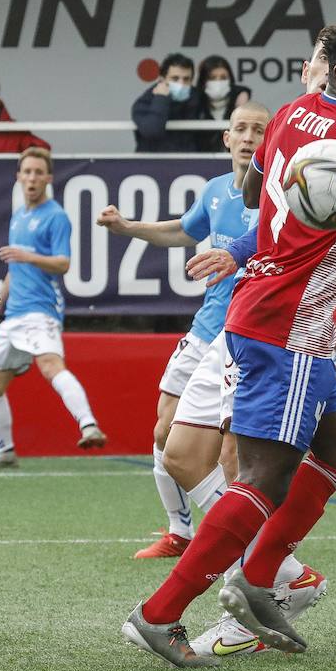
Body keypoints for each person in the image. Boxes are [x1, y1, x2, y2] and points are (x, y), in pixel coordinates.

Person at [121, 14, 336, 667]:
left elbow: (262, 204)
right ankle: (162, 614)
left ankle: (264, 571)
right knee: (260, 480)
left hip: (260, 305)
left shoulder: (291, 116)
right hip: (292, 327)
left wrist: (244, 248)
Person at [95, 102, 268, 554]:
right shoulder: (214, 192)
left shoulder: (280, 196)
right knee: (163, 431)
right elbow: (182, 232)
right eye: (241, 129)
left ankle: (242, 534)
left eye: (259, 130)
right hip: (205, 328)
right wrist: (127, 227)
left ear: (272, 142)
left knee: (232, 450)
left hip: (248, 334)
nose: (249, 137)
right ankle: (181, 532)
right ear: (226, 139)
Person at [0, 147, 105, 464]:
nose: (32, 178)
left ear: (48, 178)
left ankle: (89, 426)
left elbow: (63, 264)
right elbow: (13, 270)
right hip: (14, 315)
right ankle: (5, 450)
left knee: (51, 367)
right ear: (19, 177)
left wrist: (28, 256)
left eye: (38, 172)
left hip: (40, 311)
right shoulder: (19, 214)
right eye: (27, 172)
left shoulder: (56, 216)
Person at [131, 53, 202, 152]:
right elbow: (152, 131)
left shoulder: (199, 99)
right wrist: (161, 98)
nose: (181, 83)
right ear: (162, 79)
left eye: (186, 79)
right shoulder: (145, 102)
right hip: (153, 163)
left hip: (191, 163)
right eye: (175, 78)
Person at [194, 55, 253, 151]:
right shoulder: (195, 102)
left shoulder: (239, 99)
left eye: (223, 77)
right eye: (212, 78)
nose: (218, 82)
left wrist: (243, 95)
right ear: (203, 81)